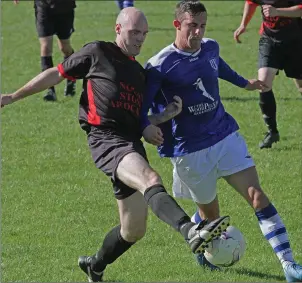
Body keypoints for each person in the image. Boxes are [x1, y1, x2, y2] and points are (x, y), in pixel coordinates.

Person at [1, 7, 230, 283]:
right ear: (118, 29)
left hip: (129, 142)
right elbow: (57, 73)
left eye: (144, 34)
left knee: (133, 229)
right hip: (105, 138)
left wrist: (162, 117)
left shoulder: (139, 73)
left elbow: (140, 121)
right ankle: (190, 231)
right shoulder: (98, 52)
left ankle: (94, 265)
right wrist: (14, 96)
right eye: (134, 32)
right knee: (150, 178)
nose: (139, 39)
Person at [142, 1, 302, 282]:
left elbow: (219, 68)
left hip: (225, 135)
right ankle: (200, 240)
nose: (199, 32)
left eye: (203, 26)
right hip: (190, 150)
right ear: (177, 25)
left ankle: (288, 265)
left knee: (258, 196)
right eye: (192, 26)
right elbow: (141, 113)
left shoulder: (210, 47)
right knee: (212, 219)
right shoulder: (158, 66)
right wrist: (159, 119)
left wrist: (246, 84)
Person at [233, 0, 302, 149]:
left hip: (296, 41)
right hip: (269, 40)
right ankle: (272, 132)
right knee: (263, 84)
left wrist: (277, 12)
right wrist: (243, 24)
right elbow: (251, 3)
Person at [14, 0, 77, 101]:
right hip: (43, 7)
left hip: (65, 7)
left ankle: (71, 80)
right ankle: (50, 90)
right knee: (46, 47)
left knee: (65, 48)